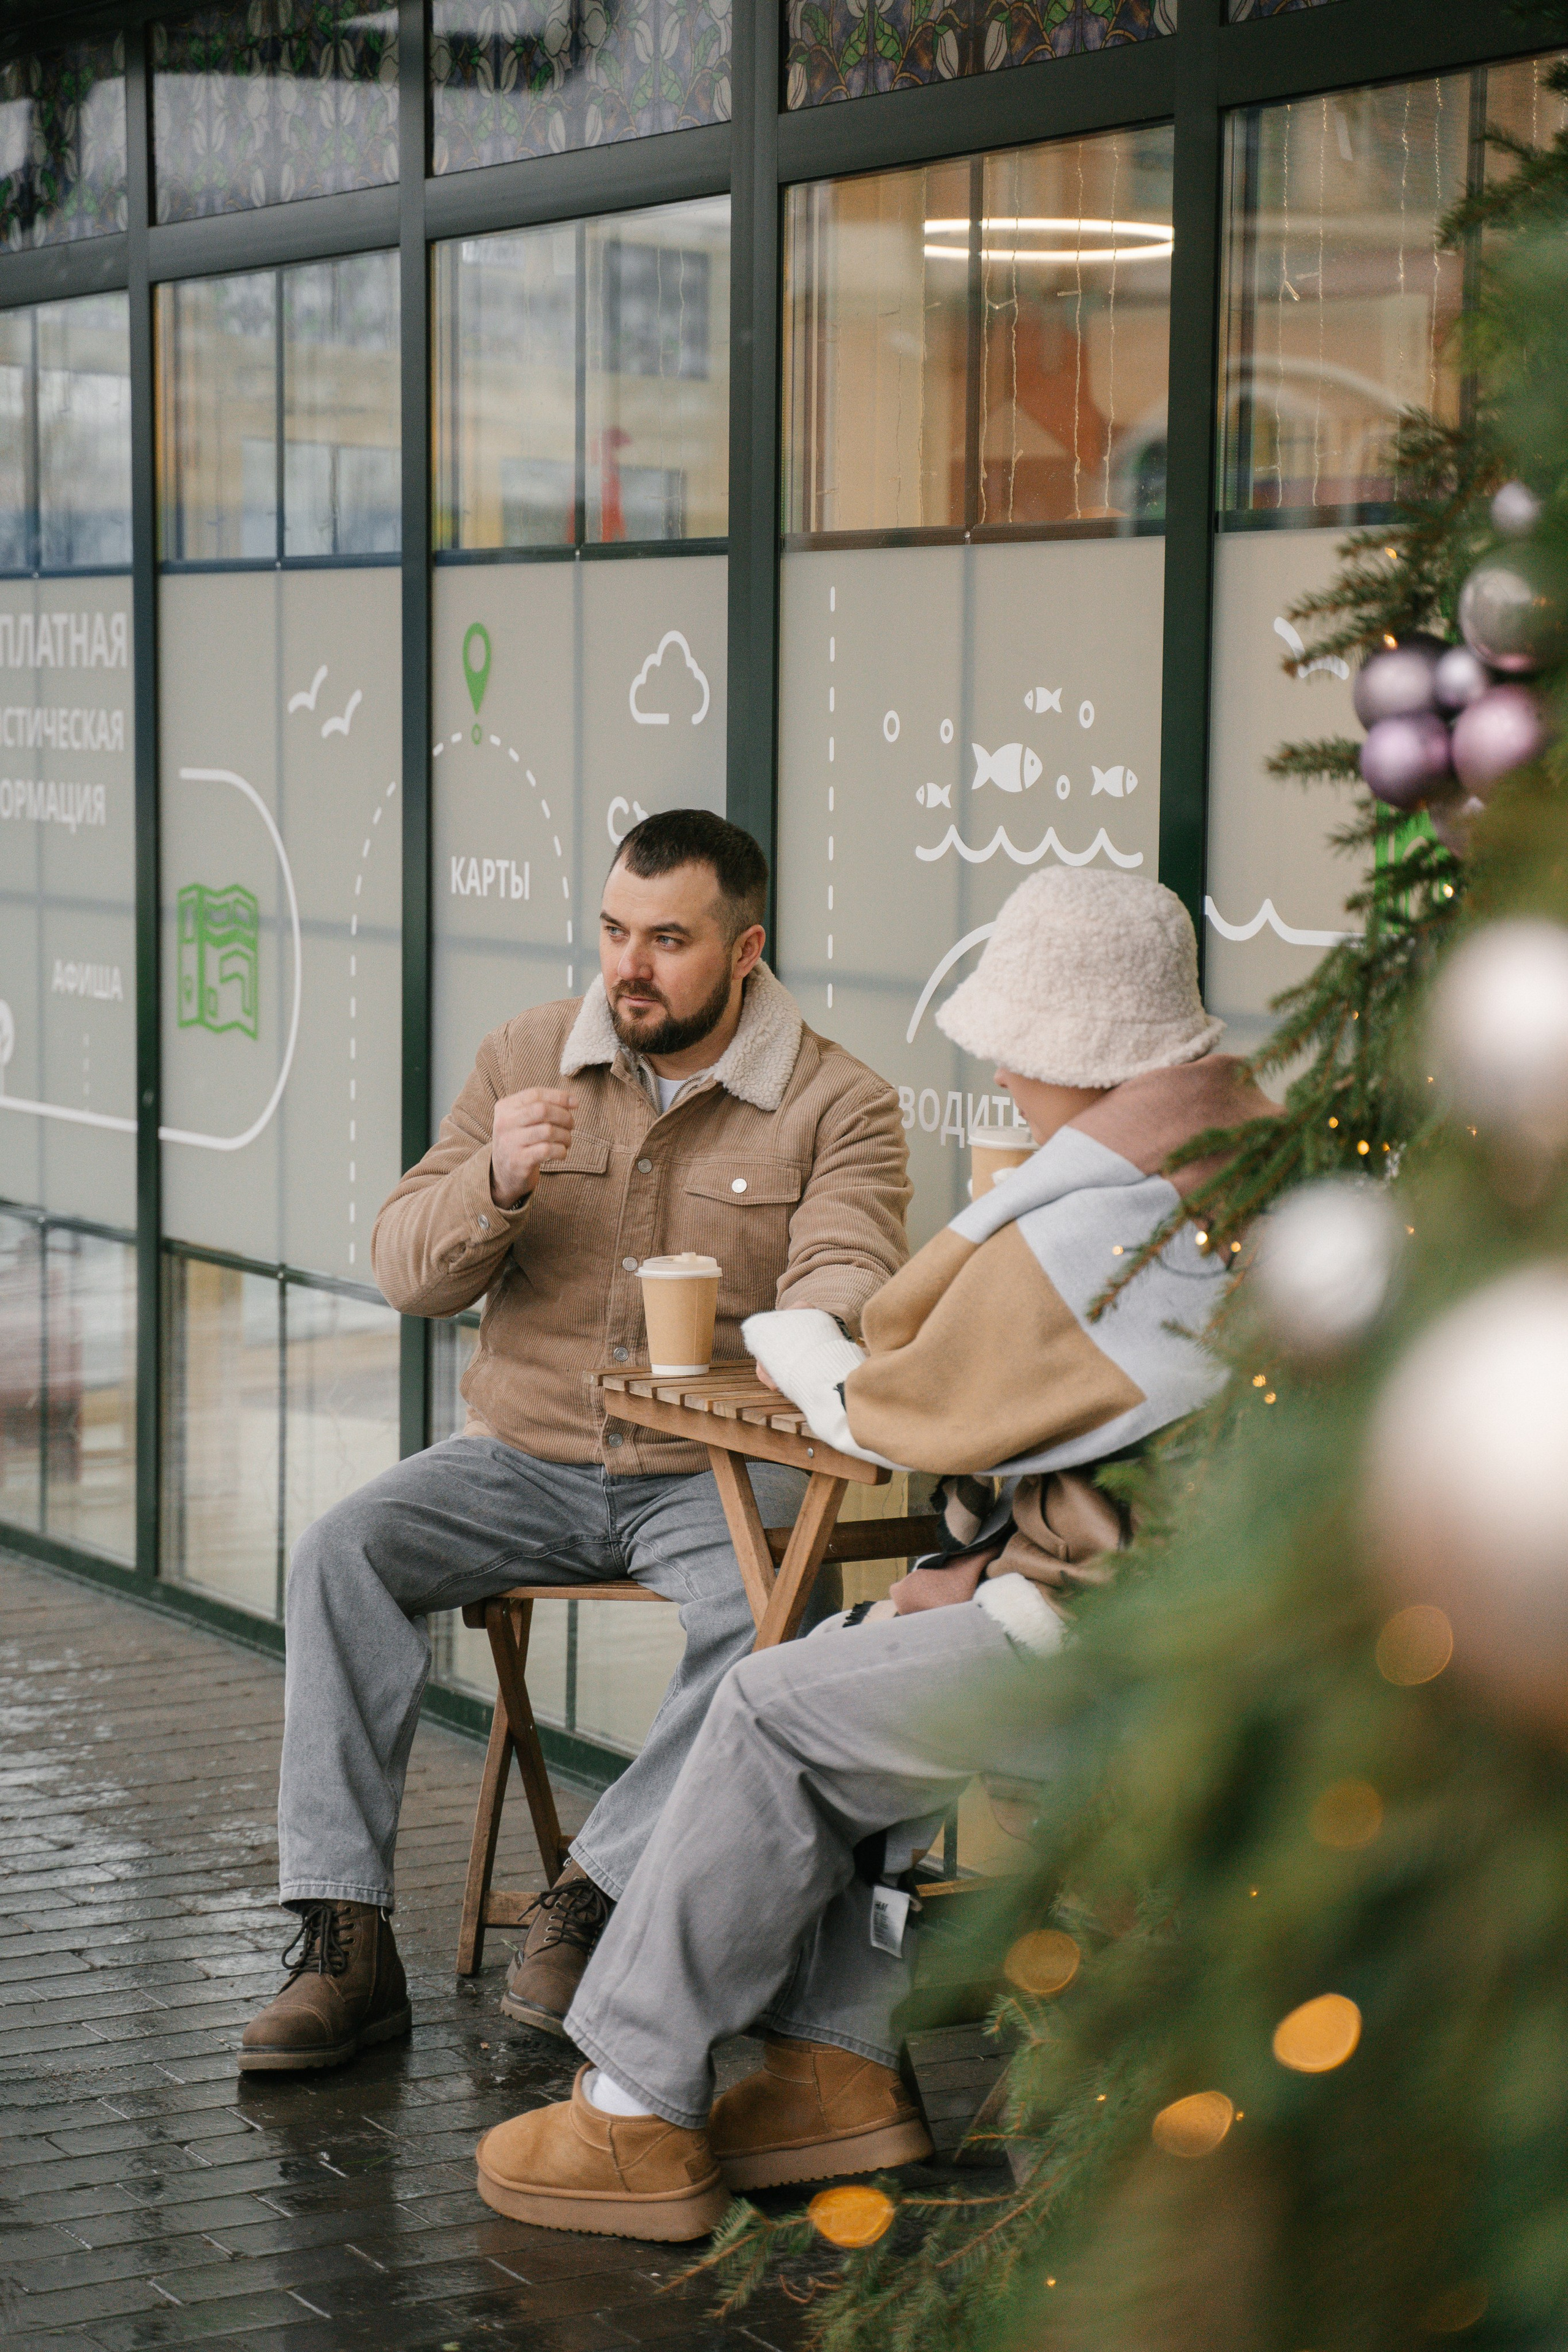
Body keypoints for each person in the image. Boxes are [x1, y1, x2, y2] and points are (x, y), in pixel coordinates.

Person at [469, 868, 1278, 2239]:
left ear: (1066, 1049)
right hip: (1217, 1618)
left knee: (768, 1706)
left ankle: (631, 2106)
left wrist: (804, 1345)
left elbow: (902, 1403)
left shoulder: (1104, 1222)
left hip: (1129, 1644)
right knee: (860, 1655)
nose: (1002, 1074)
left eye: (1012, 1045)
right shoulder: (1252, 1155)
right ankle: (828, 2075)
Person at [239, 809, 910, 2073]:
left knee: (776, 1612)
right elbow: (405, 1271)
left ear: (746, 951)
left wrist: (809, 1322)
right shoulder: (525, 1054)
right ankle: (346, 1941)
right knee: (340, 1552)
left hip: (705, 1474)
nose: (628, 968)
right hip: (519, 1460)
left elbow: (849, 1262)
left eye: (667, 940)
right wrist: (491, 1183)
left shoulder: (839, 1102)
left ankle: (594, 1892)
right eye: (613, 931)